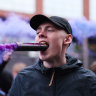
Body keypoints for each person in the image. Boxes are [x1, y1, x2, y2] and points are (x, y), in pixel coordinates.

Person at [8, 14, 96, 96]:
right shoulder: (23, 77)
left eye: (49, 30)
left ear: (67, 39)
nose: (41, 34)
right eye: (38, 32)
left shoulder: (88, 80)